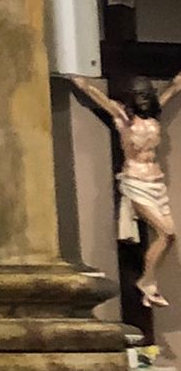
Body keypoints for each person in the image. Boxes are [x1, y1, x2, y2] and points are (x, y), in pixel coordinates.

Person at [70, 72, 181, 307]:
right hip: (135, 181)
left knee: (170, 236)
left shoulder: (154, 115)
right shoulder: (123, 117)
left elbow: (173, 88)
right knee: (166, 233)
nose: (143, 99)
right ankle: (147, 283)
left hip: (156, 181)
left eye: (146, 95)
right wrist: (77, 79)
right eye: (139, 95)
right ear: (131, 97)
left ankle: (148, 281)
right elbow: (94, 94)